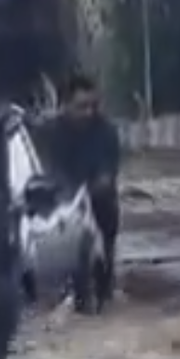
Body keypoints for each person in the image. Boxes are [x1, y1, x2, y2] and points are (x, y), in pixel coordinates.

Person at [42, 73, 121, 303]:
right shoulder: (52, 132)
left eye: (92, 106)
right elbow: (49, 168)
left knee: (105, 242)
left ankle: (105, 289)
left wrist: (100, 184)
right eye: (81, 107)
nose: (88, 113)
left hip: (100, 199)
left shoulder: (106, 130)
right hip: (65, 200)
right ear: (65, 105)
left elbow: (110, 167)